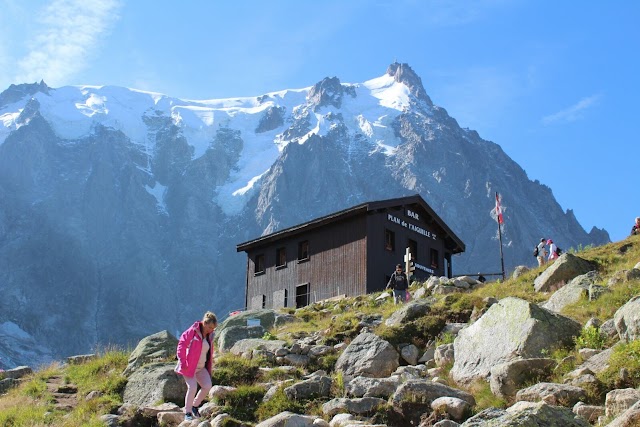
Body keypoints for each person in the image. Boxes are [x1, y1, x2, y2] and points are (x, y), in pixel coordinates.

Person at [175, 311, 217, 421]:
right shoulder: (193, 331)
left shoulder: (209, 336)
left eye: (213, 328)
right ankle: (187, 413)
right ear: (204, 323)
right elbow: (182, 345)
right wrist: (183, 361)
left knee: (207, 386)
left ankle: (194, 406)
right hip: (188, 366)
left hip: (201, 367)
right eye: (210, 327)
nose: (211, 330)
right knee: (192, 387)